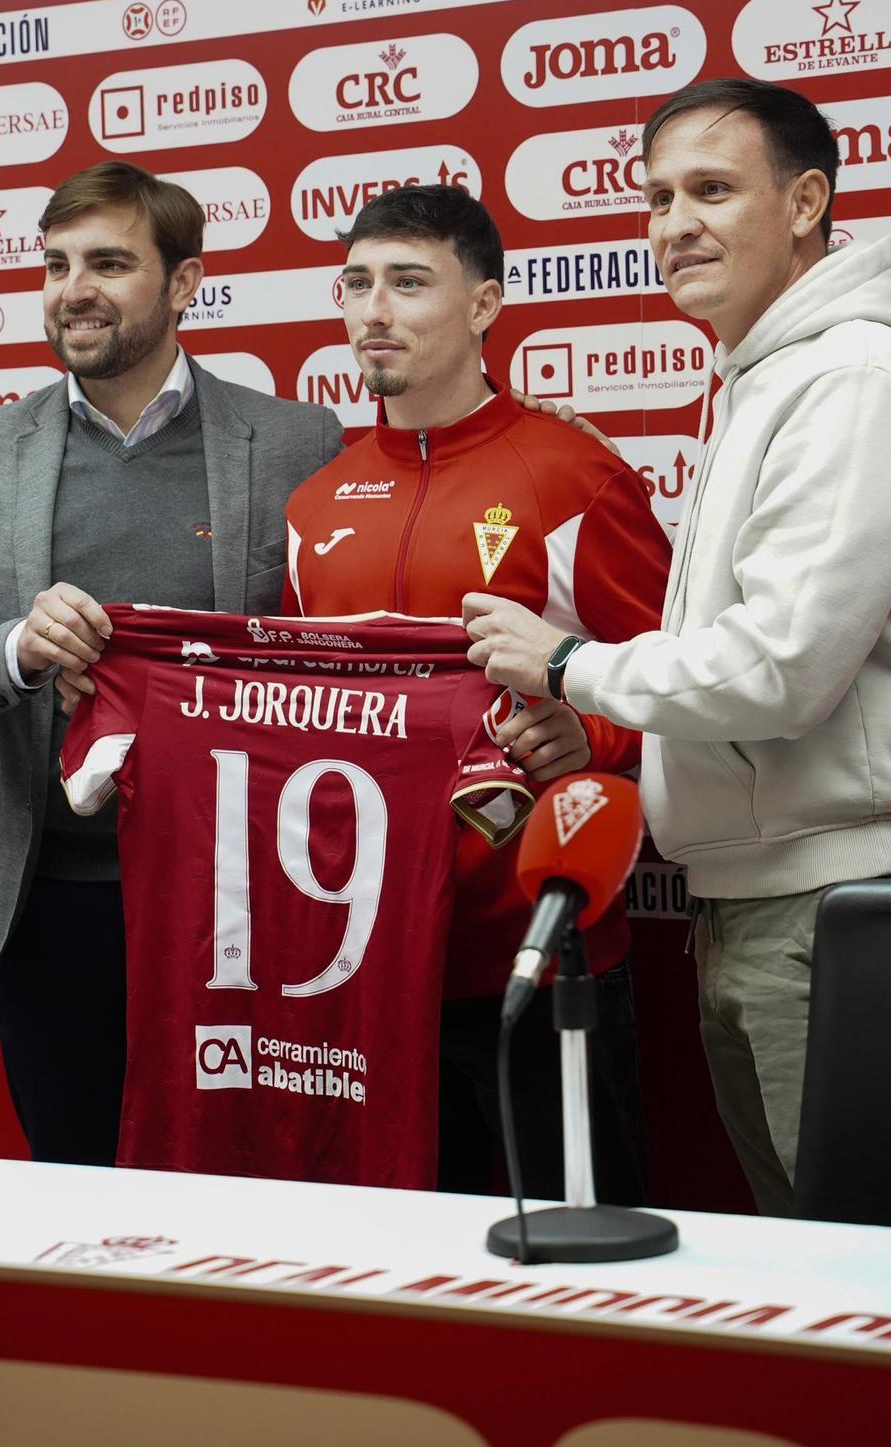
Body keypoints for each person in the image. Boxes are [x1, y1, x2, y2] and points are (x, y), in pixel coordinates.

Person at [464, 77, 891, 1216]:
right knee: (811, 1264)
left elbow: (782, 668)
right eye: (655, 197)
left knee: (873, 1281)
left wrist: (566, 663)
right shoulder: (765, 372)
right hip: (771, 897)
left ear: (805, 203)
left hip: (851, 900)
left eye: (711, 189)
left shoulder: (851, 382)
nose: (672, 223)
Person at [0, 160, 343, 1166]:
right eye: (57, 264)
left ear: (184, 284)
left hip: (243, 899)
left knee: (253, 1186)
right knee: (80, 1190)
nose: (74, 289)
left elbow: (344, 659)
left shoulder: (293, 441)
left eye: (108, 262)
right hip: (59, 900)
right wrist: (19, 646)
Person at [283, 183, 672, 1201]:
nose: (375, 309)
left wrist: (591, 736)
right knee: (404, 1264)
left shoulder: (572, 475)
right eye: (358, 283)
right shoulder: (315, 499)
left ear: (485, 305)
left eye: (410, 282)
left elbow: (683, 682)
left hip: (544, 946)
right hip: (367, 963)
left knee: (588, 1250)